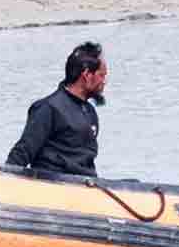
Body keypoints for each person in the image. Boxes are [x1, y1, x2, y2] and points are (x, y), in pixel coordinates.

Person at [6, 41, 108, 177]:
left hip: (86, 186)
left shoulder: (89, 111)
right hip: (54, 184)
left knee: (134, 183)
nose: (104, 81)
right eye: (102, 75)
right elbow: (22, 153)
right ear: (87, 75)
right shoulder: (48, 108)